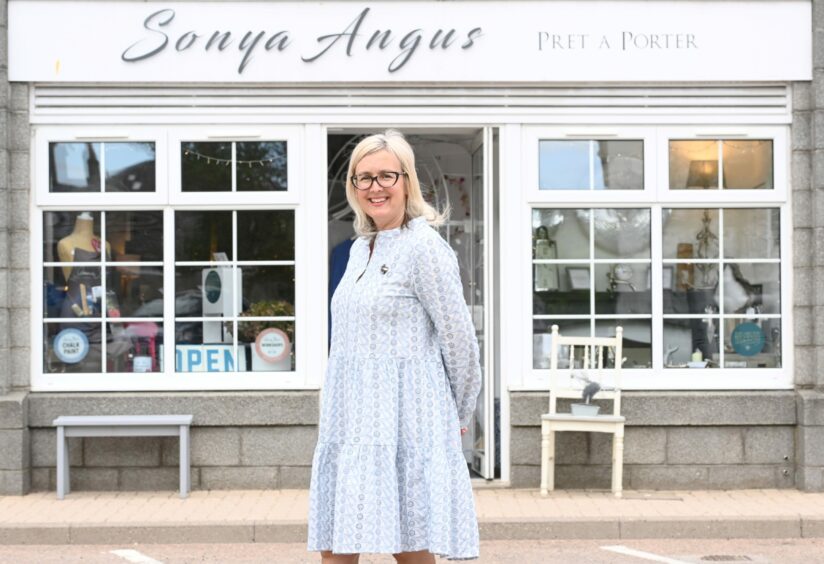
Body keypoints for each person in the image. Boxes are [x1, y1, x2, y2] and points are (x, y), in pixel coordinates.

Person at [308, 130, 482, 563]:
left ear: (407, 181)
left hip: (405, 421)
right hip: (351, 421)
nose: (375, 187)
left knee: (410, 548)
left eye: (386, 175)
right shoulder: (357, 249)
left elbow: (459, 339)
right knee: (336, 544)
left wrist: (458, 410)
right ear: (352, 188)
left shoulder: (425, 248)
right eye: (363, 178)